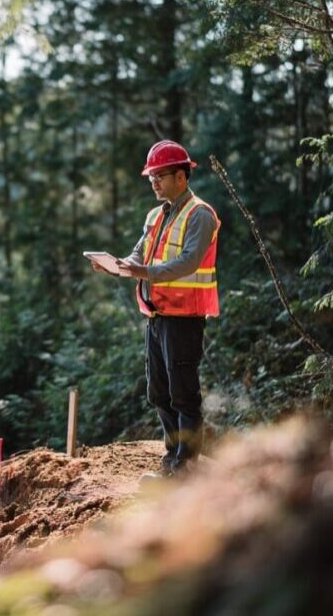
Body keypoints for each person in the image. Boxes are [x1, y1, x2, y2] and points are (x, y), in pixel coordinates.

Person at [94, 140, 220, 477]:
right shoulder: (155, 215)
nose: (153, 182)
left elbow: (187, 262)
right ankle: (172, 462)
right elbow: (139, 255)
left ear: (182, 176)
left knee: (183, 394)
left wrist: (142, 271)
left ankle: (187, 465)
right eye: (151, 176)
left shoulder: (201, 215)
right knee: (159, 392)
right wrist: (118, 266)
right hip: (157, 316)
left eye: (159, 176)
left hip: (185, 319)